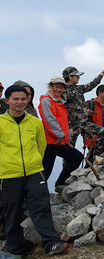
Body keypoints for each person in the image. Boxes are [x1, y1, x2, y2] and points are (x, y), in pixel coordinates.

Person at [0, 84, 69, 256]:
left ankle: (51, 243)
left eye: (23, 99)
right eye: (15, 99)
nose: (20, 102)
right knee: (12, 213)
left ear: (28, 100)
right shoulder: (1, 123)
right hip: (9, 174)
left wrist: (34, 162)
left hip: (34, 172)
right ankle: (15, 249)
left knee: (41, 208)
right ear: (7, 101)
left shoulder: (35, 122)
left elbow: (41, 146)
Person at [38, 76, 83, 187]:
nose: (59, 89)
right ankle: (36, 194)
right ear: (51, 86)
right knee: (45, 171)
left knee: (77, 157)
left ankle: (60, 183)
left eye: (61, 87)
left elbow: (64, 122)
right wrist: (60, 136)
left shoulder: (60, 102)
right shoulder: (46, 100)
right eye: (56, 87)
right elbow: (49, 119)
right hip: (50, 141)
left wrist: (66, 139)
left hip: (61, 140)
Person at [62, 66, 104, 157]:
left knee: (102, 132)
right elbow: (62, 110)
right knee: (69, 151)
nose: (79, 77)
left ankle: (93, 158)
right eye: (77, 76)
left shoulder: (78, 88)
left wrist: (101, 75)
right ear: (70, 77)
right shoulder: (63, 91)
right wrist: (67, 126)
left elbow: (91, 85)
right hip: (72, 126)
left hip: (83, 123)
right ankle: (68, 170)